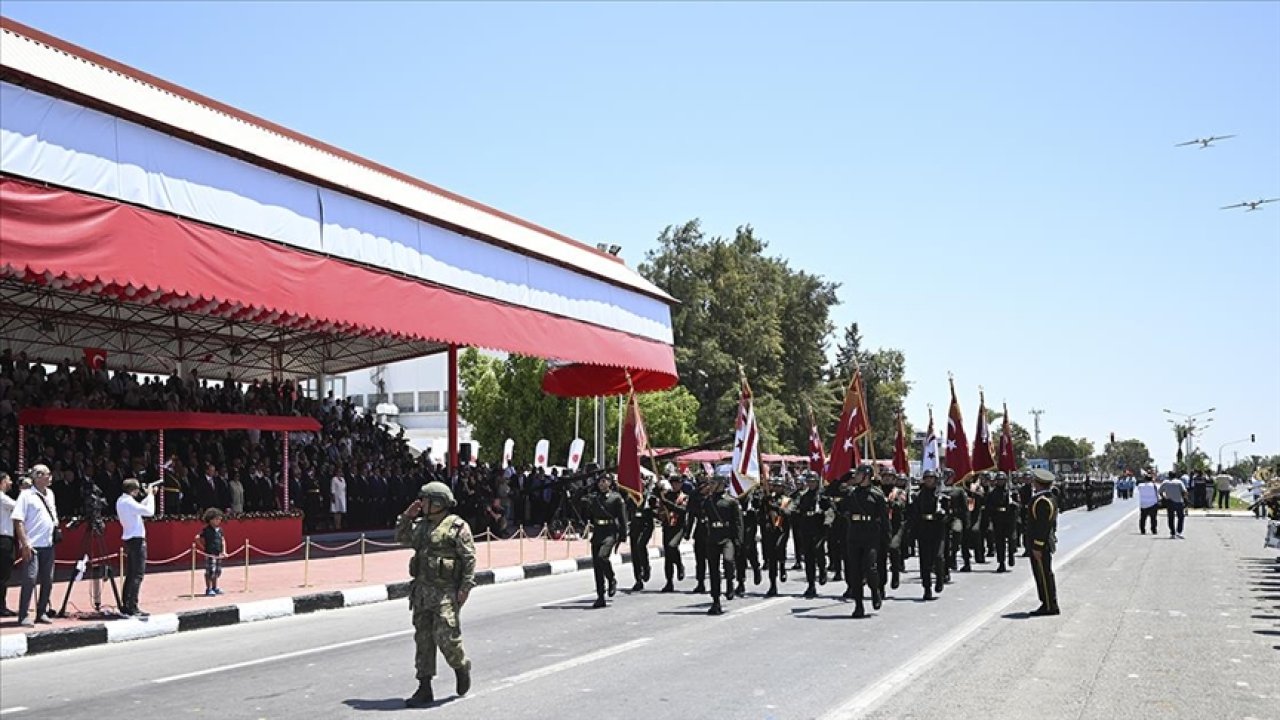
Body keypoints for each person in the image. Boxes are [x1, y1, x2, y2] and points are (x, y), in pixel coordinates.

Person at [396, 481, 476, 708]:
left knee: (446, 637)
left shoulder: (457, 527)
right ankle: (424, 687)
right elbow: (401, 537)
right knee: (423, 639)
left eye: (425, 500)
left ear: (438, 503)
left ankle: (460, 666)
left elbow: (469, 558)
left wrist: (465, 587)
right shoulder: (421, 525)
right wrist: (406, 517)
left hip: (445, 593)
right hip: (421, 592)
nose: (421, 504)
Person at [12, 464, 58, 627]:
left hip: (48, 543)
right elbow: (18, 520)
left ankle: (41, 612)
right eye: (47, 474)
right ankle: (23, 614)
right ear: (38, 476)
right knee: (30, 579)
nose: (50, 476)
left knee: (48, 579)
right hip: (33, 545)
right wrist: (25, 543)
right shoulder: (26, 495)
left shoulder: (50, 494)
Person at [837, 467, 886, 619]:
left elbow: (884, 520)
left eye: (858, 474)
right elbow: (832, 492)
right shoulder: (851, 493)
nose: (855, 477)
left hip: (871, 535)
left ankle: (875, 590)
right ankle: (858, 605)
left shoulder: (877, 495)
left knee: (871, 568)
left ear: (867, 476)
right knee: (855, 572)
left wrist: (887, 541)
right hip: (854, 535)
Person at [580, 473, 627, 608]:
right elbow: (577, 501)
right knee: (597, 567)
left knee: (602, 557)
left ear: (610, 483)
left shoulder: (616, 498)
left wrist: (623, 535)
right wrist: (585, 488)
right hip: (598, 532)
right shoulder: (594, 497)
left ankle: (611, 579)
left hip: (610, 532)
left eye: (604, 481)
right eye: (600, 481)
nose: (602, 483)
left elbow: (622, 517)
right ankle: (601, 596)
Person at [115, 477, 156, 616]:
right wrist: (150, 495)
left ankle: (126, 603)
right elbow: (149, 512)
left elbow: (140, 508)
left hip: (129, 539)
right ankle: (132, 606)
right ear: (133, 490)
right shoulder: (128, 502)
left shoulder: (122, 501)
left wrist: (149, 497)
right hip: (137, 540)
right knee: (137, 574)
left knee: (131, 574)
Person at [702, 474, 743, 615]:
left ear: (721, 484)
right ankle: (715, 601)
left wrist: (738, 541)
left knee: (728, 561)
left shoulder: (731, 501)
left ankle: (730, 582)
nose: (711, 485)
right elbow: (696, 510)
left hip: (727, 538)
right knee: (713, 570)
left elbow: (738, 523)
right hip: (713, 537)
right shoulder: (708, 501)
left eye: (713, 483)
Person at [905, 469, 947, 600]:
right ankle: (927, 588)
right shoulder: (918, 496)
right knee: (925, 562)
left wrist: (943, 515)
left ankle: (940, 577)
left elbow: (949, 515)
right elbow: (913, 515)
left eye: (932, 478)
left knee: (939, 557)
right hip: (923, 530)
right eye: (927, 478)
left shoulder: (942, 496)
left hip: (938, 530)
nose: (929, 480)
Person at [1027, 469, 1060, 616]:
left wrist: (1037, 546)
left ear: (1037, 483)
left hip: (1041, 544)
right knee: (1043, 574)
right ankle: (1047, 603)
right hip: (1043, 542)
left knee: (1043, 575)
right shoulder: (1048, 497)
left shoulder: (1042, 501)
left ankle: (1049, 605)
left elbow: (1042, 526)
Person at [795, 473, 828, 599]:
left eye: (813, 481)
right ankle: (811, 584)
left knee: (819, 551)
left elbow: (830, 509)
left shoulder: (822, 495)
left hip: (819, 527)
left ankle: (822, 569)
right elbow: (795, 504)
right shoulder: (803, 495)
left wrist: (826, 520)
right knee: (808, 557)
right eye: (809, 481)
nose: (811, 484)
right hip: (806, 527)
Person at [657, 479, 688, 593]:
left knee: (672, 546)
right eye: (674, 483)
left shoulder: (684, 497)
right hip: (667, 527)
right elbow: (659, 509)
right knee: (668, 557)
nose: (676, 485)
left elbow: (682, 510)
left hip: (679, 528)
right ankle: (669, 582)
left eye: (678, 483)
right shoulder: (666, 496)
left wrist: (667, 503)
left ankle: (679, 565)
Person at [984, 472, 1018, 573]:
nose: (1000, 482)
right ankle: (1001, 562)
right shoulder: (992, 493)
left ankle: (1011, 554)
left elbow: (1018, 505)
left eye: (1002, 480)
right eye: (999, 480)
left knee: (1012, 539)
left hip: (1009, 519)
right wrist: (990, 519)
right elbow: (988, 507)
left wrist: (1013, 505)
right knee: (999, 542)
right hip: (998, 519)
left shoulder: (1011, 492)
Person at [627, 488, 654, 592]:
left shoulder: (649, 495)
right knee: (634, 553)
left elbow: (655, 507)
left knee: (640, 545)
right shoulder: (630, 496)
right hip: (634, 527)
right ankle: (638, 579)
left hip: (646, 526)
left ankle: (646, 567)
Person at [196, 508, 226, 596]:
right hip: (210, 553)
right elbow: (197, 538)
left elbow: (223, 540)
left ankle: (215, 587)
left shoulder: (220, 530)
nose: (218, 521)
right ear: (210, 520)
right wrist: (204, 547)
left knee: (217, 571)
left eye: (220, 519)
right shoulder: (206, 530)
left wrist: (224, 551)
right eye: (216, 519)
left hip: (218, 553)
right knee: (210, 571)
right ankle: (208, 589)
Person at [0, 472, 15, 616]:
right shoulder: (2, 497)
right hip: (3, 539)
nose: (11, 483)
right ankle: (1, 606)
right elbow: (18, 507)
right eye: (8, 480)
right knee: (3, 574)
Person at [1159, 473, 1189, 538]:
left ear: (1168, 476)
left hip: (1169, 501)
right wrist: (1185, 500)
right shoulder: (1179, 482)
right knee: (1180, 517)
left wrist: (1164, 497)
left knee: (1171, 518)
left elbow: (1160, 492)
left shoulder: (1165, 482)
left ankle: (1172, 533)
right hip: (1179, 501)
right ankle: (1179, 532)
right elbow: (1185, 492)